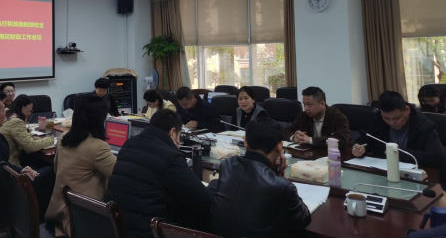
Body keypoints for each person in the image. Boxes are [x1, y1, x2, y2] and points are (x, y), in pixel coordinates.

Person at [105, 109, 214, 237]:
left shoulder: (129, 144)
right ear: (173, 132)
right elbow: (203, 199)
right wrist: (213, 183)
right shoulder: (170, 156)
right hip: (147, 231)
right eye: (179, 136)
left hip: (116, 227)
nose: (178, 142)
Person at [211, 117, 311, 237]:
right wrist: (281, 176)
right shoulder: (282, 186)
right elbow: (304, 219)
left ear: (246, 142)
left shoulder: (227, 165)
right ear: (280, 147)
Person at [45, 95, 116, 237]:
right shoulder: (98, 147)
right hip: (83, 219)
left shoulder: (63, 138)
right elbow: (118, 177)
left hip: (58, 211)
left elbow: (55, 168)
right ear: (99, 119)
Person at [353, 91, 445, 167]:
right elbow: (367, 140)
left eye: (396, 118)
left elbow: (437, 158)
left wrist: (397, 153)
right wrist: (360, 148)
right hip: (382, 171)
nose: (392, 123)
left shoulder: (424, 126)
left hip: (414, 175)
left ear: (407, 110)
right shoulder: (379, 120)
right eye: (387, 118)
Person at [284, 87, 350, 149]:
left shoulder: (338, 117)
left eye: (309, 104)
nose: (306, 108)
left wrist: (310, 140)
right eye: (304, 104)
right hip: (311, 156)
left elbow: (342, 141)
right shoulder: (303, 116)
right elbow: (286, 131)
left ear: (322, 104)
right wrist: (294, 137)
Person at [0, 94, 54, 167]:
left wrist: (32, 136)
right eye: (30, 110)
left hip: (4, 161)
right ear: (23, 107)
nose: (30, 113)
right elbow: (30, 147)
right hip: (11, 166)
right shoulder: (16, 121)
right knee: (51, 168)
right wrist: (51, 139)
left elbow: (20, 135)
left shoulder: (8, 116)